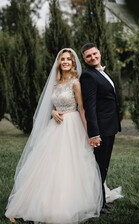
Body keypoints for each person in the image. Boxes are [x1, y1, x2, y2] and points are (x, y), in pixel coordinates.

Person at [5, 48, 103, 224]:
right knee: (47, 164)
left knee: (70, 164)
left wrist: (89, 133)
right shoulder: (56, 84)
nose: (65, 62)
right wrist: (53, 111)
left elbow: (82, 109)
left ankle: (68, 203)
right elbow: (56, 102)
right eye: (62, 59)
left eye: (68, 59)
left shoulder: (76, 83)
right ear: (58, 63)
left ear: (73, 63)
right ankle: (34, 201)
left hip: (72, 126)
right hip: (55, 127)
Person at [80, 43, 121, 214]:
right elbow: (90, 106)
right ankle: (97, 204)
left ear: (100, 53)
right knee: (99, 167)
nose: (93, 57)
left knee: (103, 166)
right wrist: (94, 133)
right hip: (101, 130)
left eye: (94, 54)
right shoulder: (88, 76)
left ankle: (101, 200)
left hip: (109, 126)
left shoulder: (101, 73)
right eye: (88, 56)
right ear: (84, 59)